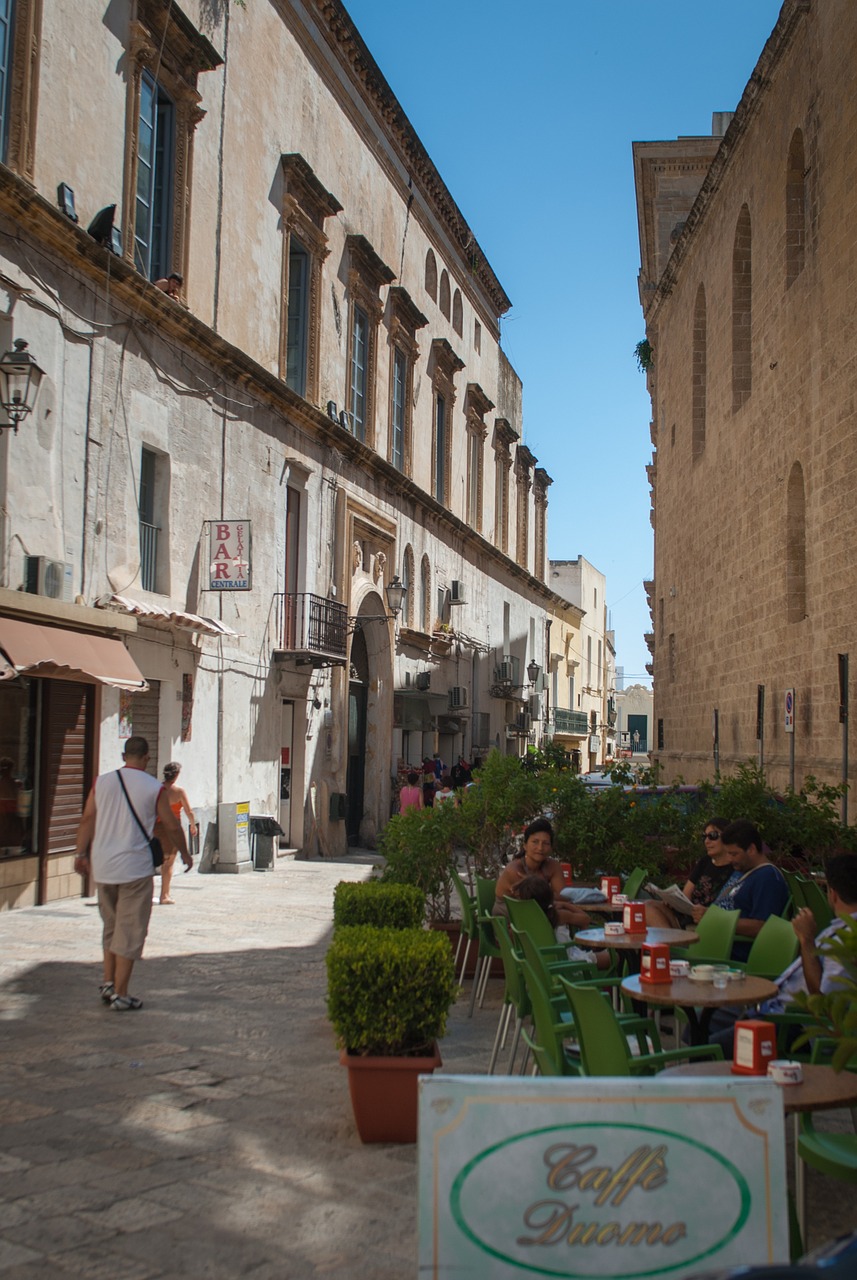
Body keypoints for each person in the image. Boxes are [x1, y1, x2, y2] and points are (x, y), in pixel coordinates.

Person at [72, 736, 191, 1011]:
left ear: (124, 755)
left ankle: (108, 983)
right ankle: (121, 993)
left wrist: (80, 854)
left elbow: (87, 819)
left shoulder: (101, 782)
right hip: (135, 869)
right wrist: (184, 853)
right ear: (147, 757)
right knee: (130, 930)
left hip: (103, 866)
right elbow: (171, 825)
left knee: (111, 927)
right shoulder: (153, 788)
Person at [707, 853, 857, 1057]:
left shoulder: (847, 938)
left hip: (793, 1024)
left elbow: (822, 1004)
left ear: (833, 894)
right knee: (704, 1022)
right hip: (771, 1005)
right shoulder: (839, 928)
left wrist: (806, 940)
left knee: (711, 1047)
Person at [692, 818, 788, 962]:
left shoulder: (767, 878)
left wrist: (714, 919)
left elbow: (763, 926)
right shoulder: (743, 870)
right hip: (713, 942)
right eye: (728, 853)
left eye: (734, 854)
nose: (730, 859)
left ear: (751, 849)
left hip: (730, 954)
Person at [493, 817, 591, 931]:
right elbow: (534, 901)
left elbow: (563, 896)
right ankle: (582, 944)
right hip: (511, 925)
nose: (540, 848)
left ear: (550, 848)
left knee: (568, 914)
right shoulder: (514, 869)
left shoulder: (552, 866)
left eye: (545, 843)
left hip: (535, 915)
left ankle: (582, 943)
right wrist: (555, 900)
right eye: (535, 842)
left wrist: (558, 902)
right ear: (524, 845)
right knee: (567, 916)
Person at [645, 816, 735, 928]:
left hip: (706, 921)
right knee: (645, 906)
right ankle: (669, 942)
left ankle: (670, 942)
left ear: (728, 838)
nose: (707, 841)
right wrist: (672, 901)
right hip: (686, 914)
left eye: (713, 836)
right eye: (704, 837)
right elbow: (686, 895)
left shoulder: (735, 869)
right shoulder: (705, 862)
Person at [515, 872, 611, 972]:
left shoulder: (523, 918)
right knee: (614, 957)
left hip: (540, 964)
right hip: (567, 963)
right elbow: (586, 919)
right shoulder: (559, 916)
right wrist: (566, 905)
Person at [156, 761, 197, 904]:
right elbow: (188, 811)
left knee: (153, 861)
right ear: (177, 775)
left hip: (157, 827)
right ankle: (164, 895)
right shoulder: (178, 792)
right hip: (172, 829)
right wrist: (193, 825)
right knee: (168, 864)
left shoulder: (157, 789)